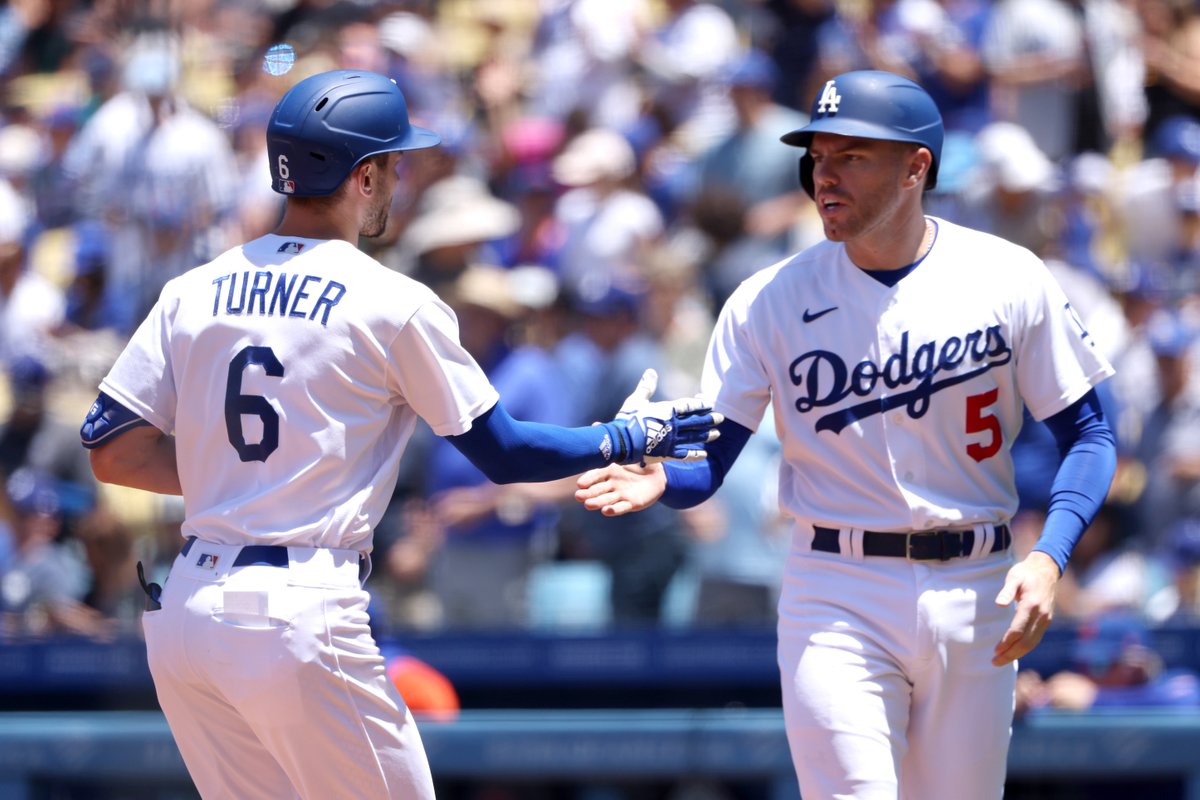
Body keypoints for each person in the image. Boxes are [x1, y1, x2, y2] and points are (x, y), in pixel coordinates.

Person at [78, 69, 721, 800]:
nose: (397, 180)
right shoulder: (390, 300)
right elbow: (505, 453)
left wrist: (246, 473)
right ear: (363, 175)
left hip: (187, 614)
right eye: (392, 164)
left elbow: (113, 450)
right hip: (297, 606)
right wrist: (626, 438)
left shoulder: (194, 288)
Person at [576, 70, 1119, 799]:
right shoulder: (768, 299)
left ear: (915, 166)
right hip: (837, 586)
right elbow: (711, 464)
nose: (825, 176)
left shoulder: (1007, 277)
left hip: (975, 583)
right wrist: (664, 478)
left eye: (851, 157)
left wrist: (1051, 557)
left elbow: (1089, 434)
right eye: (818, 159)